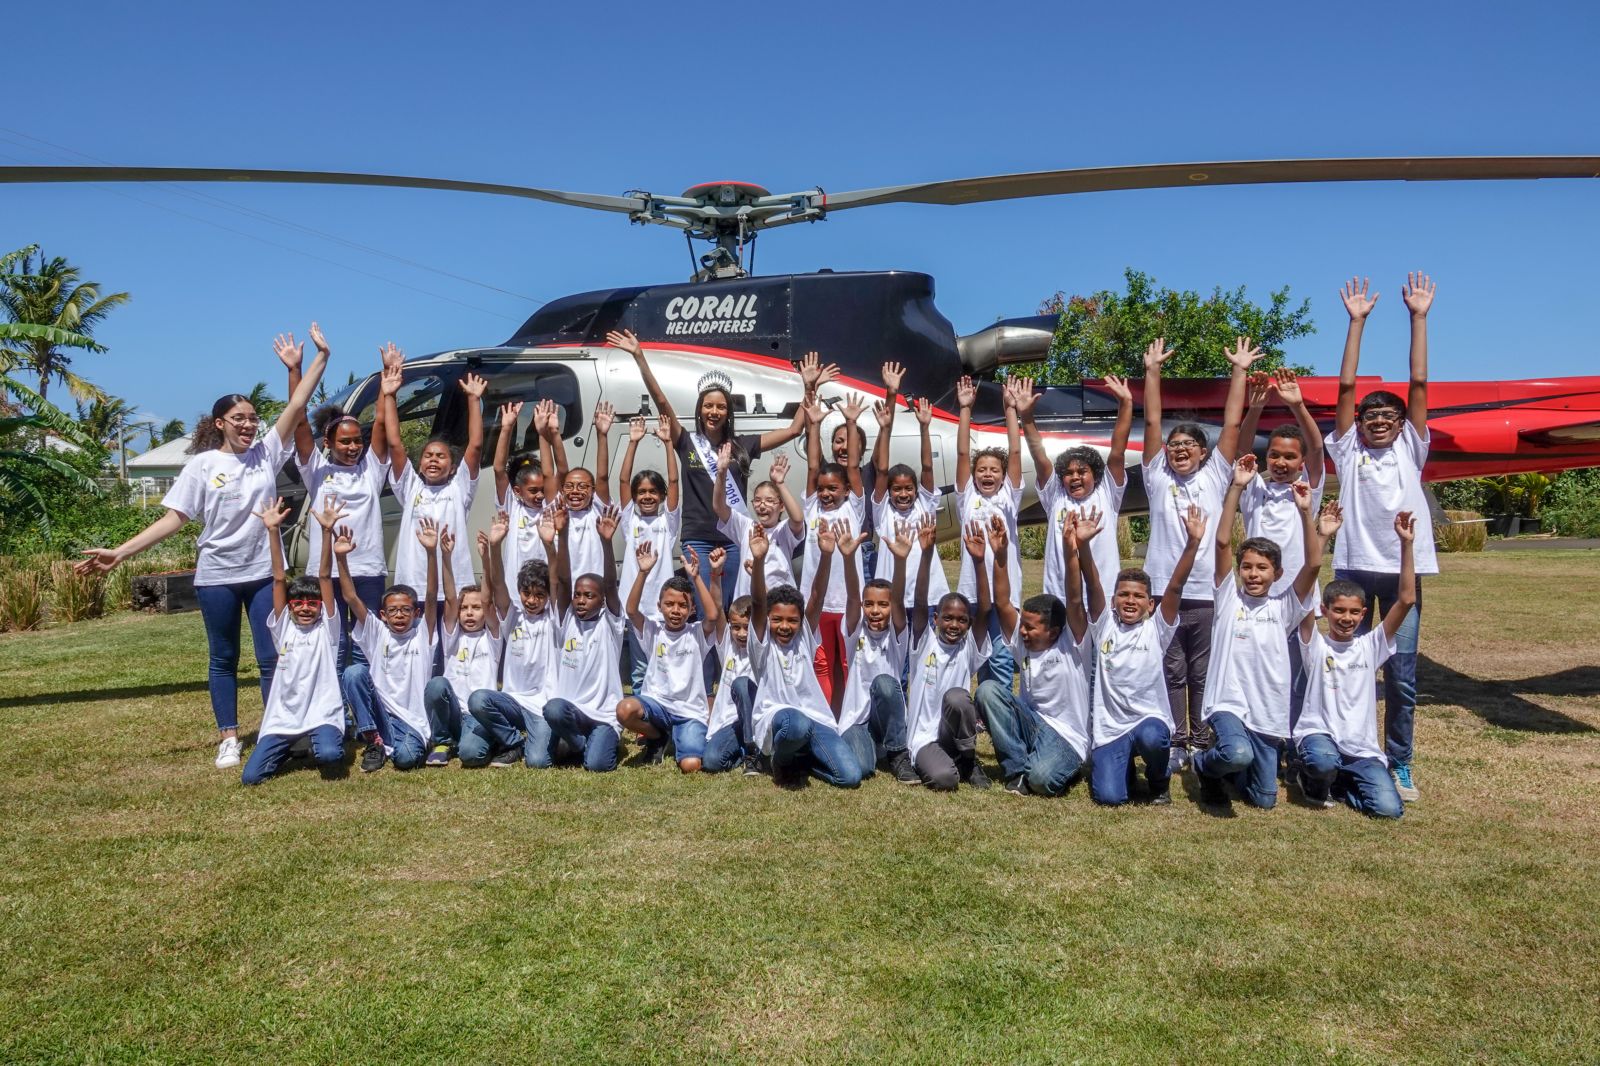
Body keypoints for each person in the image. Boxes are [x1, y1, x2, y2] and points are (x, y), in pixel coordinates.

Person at [76, 324, 330, 769]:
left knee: (272, 656)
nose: (249, 425)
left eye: (253, 418)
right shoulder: (202, 465)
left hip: (263, 572)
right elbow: (174, 519)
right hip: (216, 575)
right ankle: (229, 737)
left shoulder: (267, 453)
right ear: (220, 424)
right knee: (224, 658)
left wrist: (315, 360)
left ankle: (278, 729)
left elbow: (297, 404)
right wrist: (120, 552)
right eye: (239, 419)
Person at [608, 329, 831, 608]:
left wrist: (809, 388)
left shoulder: (743, 445)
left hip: (734, 540)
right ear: (700, 410)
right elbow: (662, 402)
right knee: (706, 614)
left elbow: (794, 428)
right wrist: (640, 357)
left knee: (735, 610)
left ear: (728, 413)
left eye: (721, 407)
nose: (714, 412)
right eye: (708, 406)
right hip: (698, 539)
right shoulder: (687, 442)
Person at [1328, 274, 1438, 802]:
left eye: (1387, 417)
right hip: (1352, 569)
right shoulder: (1346, 449)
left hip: (1402, 575)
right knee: (1344, 666)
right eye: (1370, 416)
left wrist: (1418, 317)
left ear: (1401, 425)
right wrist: (1357, 321)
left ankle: (1399, 762)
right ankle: (1344, 748)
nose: (1377, 421)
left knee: (1400, 676)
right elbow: (1346, 388)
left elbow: (1418, 385)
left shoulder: (1411, 448)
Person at [1190, 457, 1333, 809]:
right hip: (1228, 702)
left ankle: (1235, 764)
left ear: (1277, 572)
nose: (1253, 574)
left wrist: (1305, 513)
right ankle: (1206, 767)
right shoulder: (1227, 599)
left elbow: (1313, 565)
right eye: (1247, 567)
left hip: (1267, 711)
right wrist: (1236, 486)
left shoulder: (1284, 607)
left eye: (1262, 568)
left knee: (1264, 800)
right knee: (1236, 753)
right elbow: (1221, 543)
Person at [1141, 336, 1252, 759]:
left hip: (1206, 590)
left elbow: (1232, 427)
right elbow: (1152, 424)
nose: (1180, 449)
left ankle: (1201, 740)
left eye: (1189, 445)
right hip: (1162, 593)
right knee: (1170, 669)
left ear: (1204, 454)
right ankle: (1175, 739)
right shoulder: (1157, 479)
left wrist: (1238, 371)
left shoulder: (1214, 476)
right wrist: (1153, 371)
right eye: (1175, 445)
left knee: (1202, 672)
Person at [1293, 513, 1418, 820]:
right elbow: (1305, 589)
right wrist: (1322, 536)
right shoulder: (1315, 645)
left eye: (1353, 612)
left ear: (1363, 614)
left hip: (1361, 750)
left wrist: (1406, 545)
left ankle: (1341, 783)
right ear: (1325, 610)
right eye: (1338, 611)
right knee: (1323, 761)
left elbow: (1405, 600)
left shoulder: (1371, 646)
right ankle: (1311, 777)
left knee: (1389, 811)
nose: (1345, 618)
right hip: (1320, 736)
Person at [1083, 503, 1208, 807]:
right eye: (1123, 594)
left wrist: (1192, 543)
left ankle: (1158, 781)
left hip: (1147, 721)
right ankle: (1121, 763)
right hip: (1111, 726)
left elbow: (1176, 587)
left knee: (1154, 737)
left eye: (1138, 596)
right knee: (1110, 797)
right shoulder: (1103, 626)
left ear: (1150, 604)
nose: (1130, 600)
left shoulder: (1157, 630)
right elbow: (1091, 583)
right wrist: (1083, 546)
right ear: (1113, 601)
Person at [286, 337, 395, 671]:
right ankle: (334, 708)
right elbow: (299, 418)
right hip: (327, 572)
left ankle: (368, 705)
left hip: (368, 571)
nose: (353, 447)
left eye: (356, 441)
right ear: (329, 443)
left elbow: (380, 423)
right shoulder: (316, 470)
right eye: (344, 441)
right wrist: (295, 369)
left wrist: (387, 382)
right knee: (335, 642)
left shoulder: (371, 470)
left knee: (365, 642)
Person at [976, 511, 1096, 798]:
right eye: (1023, 626)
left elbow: (1075, 599)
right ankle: (1016, 771)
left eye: (1030, 627)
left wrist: (1072, 551)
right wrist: (1000, 555)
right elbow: (1003, 602)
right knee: (988, 690)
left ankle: (1058, 765)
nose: (1023, 632)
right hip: (1032, 723)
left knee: (1042, 781)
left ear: (1054, 632)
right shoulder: (1023, 645)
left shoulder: (1074, 645)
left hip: (1066, 737)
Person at [1232, 367, 1327, 729]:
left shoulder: (1306, 492)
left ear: (1301, 464)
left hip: (1299, 598)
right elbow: (1242, 451)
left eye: (1290, 457)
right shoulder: (1255, 492)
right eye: (1274, 456)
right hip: (1260, 599)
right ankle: (1257, 726)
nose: (1282, 463)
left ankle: (1295, 734)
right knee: (1258, 667)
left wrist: (1298, 405)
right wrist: (1254, 407)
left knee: (1300, 667)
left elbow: (1318, 447)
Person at [238, 497, 348, 785]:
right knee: (251, 778)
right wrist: (273, 532)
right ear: (289, 607)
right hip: (283, 717)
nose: (305, 607)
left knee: (330, 757)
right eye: (297, 602)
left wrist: (326, 533)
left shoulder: (328, 629)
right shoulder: (283, 626)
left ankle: (316, 737)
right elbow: (278, 578)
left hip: (322, 712)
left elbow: (324, 576)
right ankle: (290, 744)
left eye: (312, 603)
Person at [746, 519, 862, 789]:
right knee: (794, 724)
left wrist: (826, 554)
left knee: (849, 776)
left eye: (792, 621)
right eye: (778, 620)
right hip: (780, 719)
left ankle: (802, 758)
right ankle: (782, 761)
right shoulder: (762, 644)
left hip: (815, 718)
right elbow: (758, 601)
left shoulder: (804, 639)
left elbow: (817, 597)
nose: (784, 627)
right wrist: (759, 560)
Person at [1018, 374, 1133, 612]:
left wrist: (1125, 405)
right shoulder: (1056, 495)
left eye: (1082, 471)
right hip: (1060, 595)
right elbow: (1038, 455)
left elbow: (1118, 450)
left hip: (1102, 595)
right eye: (1068, 473)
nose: (1075, 477)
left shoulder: (1107, 492)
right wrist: (1026, 417)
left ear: (1095, 474)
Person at [338, 518, 441, 772]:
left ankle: (394, 744)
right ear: (383, 615)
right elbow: (351, 597)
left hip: (411, 720)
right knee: (354, 672)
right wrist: (341, 558)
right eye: (392, 610)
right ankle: (373, 739)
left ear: (416, 613)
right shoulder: (377, 632)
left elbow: (430, 595)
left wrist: (431, 553)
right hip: (380, 712)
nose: (399, 615)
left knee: (406, 760)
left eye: (406, 610)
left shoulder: (423, 635)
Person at [384, 357, 485, 601]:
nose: (433, 460)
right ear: (419, 465)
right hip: (414, 589)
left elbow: (476, 445)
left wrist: (473, 399)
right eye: (428, 456)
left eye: (441, 457)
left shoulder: (460, 488)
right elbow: (395, 444)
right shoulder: (411, 487)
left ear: (452, 468)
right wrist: (389, 396)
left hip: (453, 589)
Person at [616, 544, 723, 772]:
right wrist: (643, 572)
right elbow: (632, 610)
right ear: (659, 606)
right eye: (670, 604)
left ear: (692, 609)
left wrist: (696, 578)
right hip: (658, 706)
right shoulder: (653, 631)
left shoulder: (696, 634)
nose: (676, 610)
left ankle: (680, 735)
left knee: (691, 765)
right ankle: (658, 736)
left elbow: (713, 615)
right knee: (625, 709)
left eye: (683, 605)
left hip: (689, 712)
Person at [905, 516, 993, 792]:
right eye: (948, 618)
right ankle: (946, 763)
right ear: (936, 620)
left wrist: (979, 562)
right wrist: (926, 553)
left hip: (952, 732)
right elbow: (920, 602)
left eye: (961, 620)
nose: (954, 625)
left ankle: (967, 758)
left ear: (968, 623)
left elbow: (986, 609)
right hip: (924, 737)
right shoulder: (923, 643)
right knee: (945, 780)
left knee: (957, 697)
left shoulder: (968, 648)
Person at [541, 501, 628, 773]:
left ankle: (594, 743)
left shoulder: (610, 623)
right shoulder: (566, 620)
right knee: (553, 711)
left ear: (602, 601)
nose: (580, 600)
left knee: (598, 765)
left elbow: (611, 584)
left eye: (589, 596)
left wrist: (606, 543)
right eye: (579, 595)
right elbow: (563, 581)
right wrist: (562, 535)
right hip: (572, 714)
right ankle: (579, 744)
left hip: (602, 716)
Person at [469, 515, 561, 768]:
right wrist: (495, 547)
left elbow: (556, 582)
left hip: (540, 705)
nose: (532, 600)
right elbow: (498, 584)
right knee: (477, 702)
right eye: (527, 594)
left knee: (539, 762)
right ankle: (512, 741)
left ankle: (546, 740)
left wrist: (549, 546)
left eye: (539, 595)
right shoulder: (513, 616)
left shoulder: (554, 619)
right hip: (511, 701)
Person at [836, 514, 918, 783]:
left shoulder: (897, 634)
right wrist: (849, 559)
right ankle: (874, 747)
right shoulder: (855, 630)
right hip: (857, 719)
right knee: (862, 769)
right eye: (869, 604)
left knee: (884, 682)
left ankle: (897, 753)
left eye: (882, 605)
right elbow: (851, 596)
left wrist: (901, 562)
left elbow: (898, 599)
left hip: (888, 715)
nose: (875, 610)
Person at [954, 373, 1022, 690]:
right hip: (973, 588)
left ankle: (1002, 703)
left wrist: (1010, 409)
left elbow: (1016, 452)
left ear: (1004, 475)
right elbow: (963, 454)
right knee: (976, 651)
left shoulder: (1010, 496)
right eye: (982, 470)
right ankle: (982, 707)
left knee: (1001, 653)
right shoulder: (967, 497)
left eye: (995, 469)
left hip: (1006, 590)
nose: (987, 474)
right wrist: (965, 408)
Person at [802, 390, 869, 710]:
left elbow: (853, 465)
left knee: (846, 664)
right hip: (817, 603)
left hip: (846, 603)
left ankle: (848, 716)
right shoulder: (813, 507)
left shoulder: (853, 507)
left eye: (834, 488)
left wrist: (851, 422)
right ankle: (827, 716)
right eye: (822, 488)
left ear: (846, 489)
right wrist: (813, 426)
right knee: (822, 664)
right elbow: (813, 466)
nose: (826, 493)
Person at [421, 526, 503, 768]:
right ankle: (442, 742)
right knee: (436, 684)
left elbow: (488, 601)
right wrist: (445, 556)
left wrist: (485, 559)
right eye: (465, 608)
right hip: (452, 711)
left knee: (471, 755)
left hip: (476, 715)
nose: (469, 613)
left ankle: (480, 739)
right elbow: (449, 598)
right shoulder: (451, 636)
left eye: (475, 608)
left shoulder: (493, 637)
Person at [616, 414, 682, 692]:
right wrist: (633, 442)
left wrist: (668, 444)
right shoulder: (629, 519)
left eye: (653, 492)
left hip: (661, 608)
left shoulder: (668, 522)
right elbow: (621, 480)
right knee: (640, 670)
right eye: (641, 492)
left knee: (664, 666)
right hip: (634, 607)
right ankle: (644, 723)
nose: (647, 497)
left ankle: (664, 712)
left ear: (662, 496)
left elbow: (675, 480)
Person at [872, 393, 946, 620]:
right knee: (897, 654)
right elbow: (882, 469)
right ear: (888, 492)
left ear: (916, 490)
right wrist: (885, 429)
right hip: (893, 598)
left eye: (908, 489)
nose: (903, 494)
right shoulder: (883, 512)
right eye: (897, 489)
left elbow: (927, 467)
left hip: (927, 595)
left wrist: (924, 428)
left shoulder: (925, 506)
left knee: (923, 652)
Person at [715, 449, 804, 602]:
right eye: (757, 500)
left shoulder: (784, 529)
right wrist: (721, 474)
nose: (762, 505)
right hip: (747, 603)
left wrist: (779, 483)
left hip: (778, 604)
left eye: (770, 501)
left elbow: (797, 519)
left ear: (782, 506)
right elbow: (719, 507)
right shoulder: (745, 526)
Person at [491, 397, 560, 594]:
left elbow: (549, 473)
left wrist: (542, 433)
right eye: (532, 491)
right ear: (517, 492)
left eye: (542, 489)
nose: (539, 495)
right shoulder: (512, 508)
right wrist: (506, 428)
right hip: (515, 594)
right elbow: (498, 470)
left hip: (544, 595)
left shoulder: (549, 507)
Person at [540, 400, 610, 590]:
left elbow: (602, 476)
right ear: (562, 491)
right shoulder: (558, 509)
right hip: (563, 588)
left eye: (582, 486)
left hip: (591, 591)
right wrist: (545, 434)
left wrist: (601, 434)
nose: (575, 491)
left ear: (593, 490)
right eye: (569, 486)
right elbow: (549, 472)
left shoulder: (598, 510)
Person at [702, 595, 760, 775]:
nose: (742, 634)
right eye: (736, 627)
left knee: (742, 684)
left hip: (755, 720)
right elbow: (717, 605)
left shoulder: (760, 649)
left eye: (747, 627)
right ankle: (743, 750)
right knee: (711, 762)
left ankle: (754, 750)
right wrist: (715, 574)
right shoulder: (727, 645)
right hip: (731, 722)